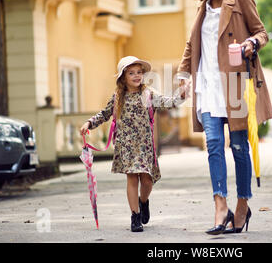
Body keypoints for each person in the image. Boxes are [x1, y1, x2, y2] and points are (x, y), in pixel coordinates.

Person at [177, 0, 272, 235]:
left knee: (240, 148)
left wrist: (251, 43)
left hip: (234, 85)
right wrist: (183, 76)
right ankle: (220, 206)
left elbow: (262, 32)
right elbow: (191, 44)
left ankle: (242, 205)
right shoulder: (203, 7)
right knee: (214, 146)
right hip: (207, 86)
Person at [80, 56, 190, 232]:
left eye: (139, 72)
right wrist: (89, 123)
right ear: (123, 77)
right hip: (126, 146)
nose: (137, 76)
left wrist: (181, 94)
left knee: (147, 180)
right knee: (132, 178)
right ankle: (135, 216)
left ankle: (143, 201)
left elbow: (168, 102)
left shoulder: (148, 94)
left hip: (145, 146)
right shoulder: (118, 97)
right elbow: (104, 114)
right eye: (131, 73)